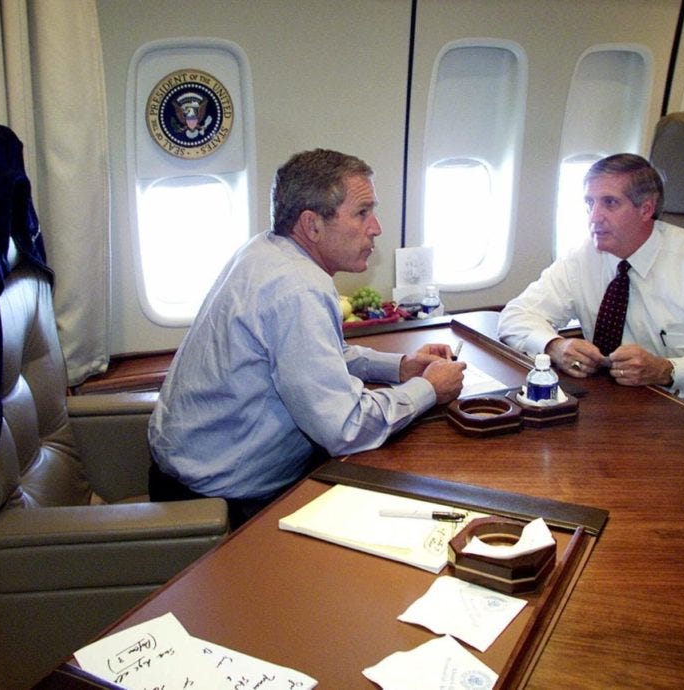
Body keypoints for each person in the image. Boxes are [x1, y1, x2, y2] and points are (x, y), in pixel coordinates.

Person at [498, 153, 684, 666]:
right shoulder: (584, 257)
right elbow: (517, 314)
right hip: (631, 403)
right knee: (579, 475)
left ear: (647, 208)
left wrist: (667, 370)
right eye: (589, 202)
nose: (594, 216)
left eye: (609, 203)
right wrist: (554, 344)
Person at [148, 148, 466, 530]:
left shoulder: (266, 251)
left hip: (189, 467)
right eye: (362, 213)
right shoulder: (297, 288)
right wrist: (428, 389)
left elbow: (316, 355)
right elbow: (345, 429)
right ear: (312, 225)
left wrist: (401, 367)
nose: (376, 227)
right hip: (226, 498)